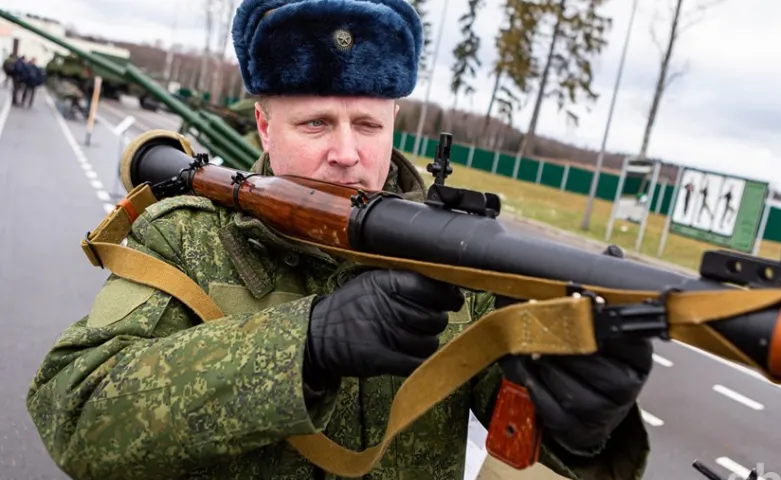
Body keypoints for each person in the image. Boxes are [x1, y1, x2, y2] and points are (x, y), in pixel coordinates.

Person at [25, 1, 653, 479]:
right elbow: (75, 409)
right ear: (265, 126)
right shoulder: (189, 238)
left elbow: (526, 438)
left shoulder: (458, 261)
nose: (347, 154)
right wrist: (307, 344)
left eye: (368, 123)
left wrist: (583, 421)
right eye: (317, 122)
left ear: (396, 122)